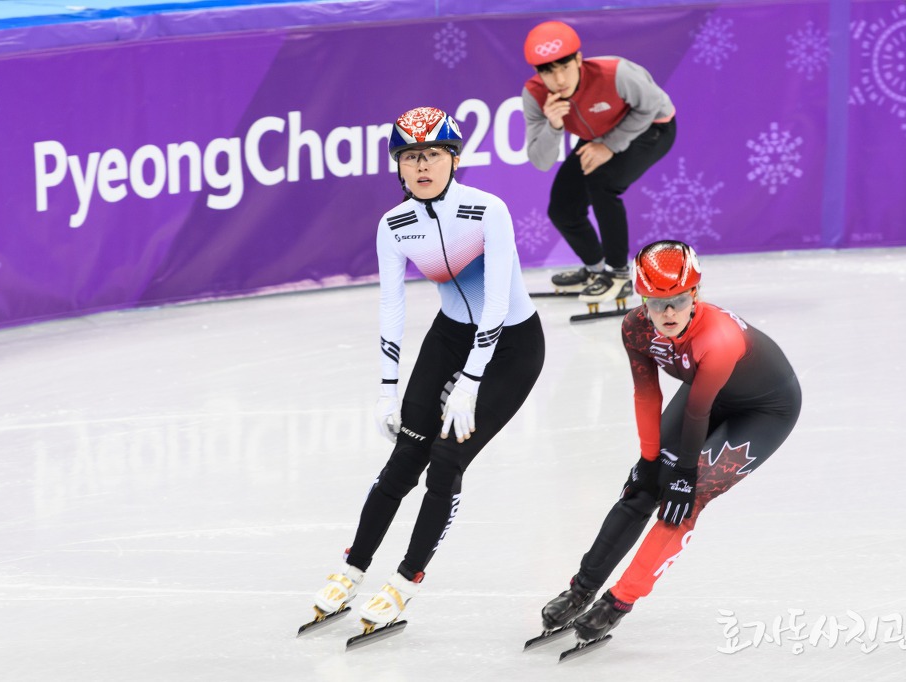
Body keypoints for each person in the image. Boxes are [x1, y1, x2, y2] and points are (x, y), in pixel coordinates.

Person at [310, 107, 545, 632]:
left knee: (445, 460)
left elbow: (496, 304)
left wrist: (472, 379)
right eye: (410, 156)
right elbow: (391, 307)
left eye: (433, 154)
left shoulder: (488, 211)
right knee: (404, 458)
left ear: (454, 159)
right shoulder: (394, 226)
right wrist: (387, 390)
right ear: (398, 165)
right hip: (449, 335)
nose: (422, 165)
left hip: (511, 345)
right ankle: (351, 569)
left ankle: (405, 580)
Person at [539, 240, 802, 643]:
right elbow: (647, 395)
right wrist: (648, 462)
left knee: (686, 499)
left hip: (763, 411)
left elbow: (698, 413)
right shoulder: (635, 328)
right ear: (640, 299)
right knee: (640, 489)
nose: (667, 313)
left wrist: (682, 474)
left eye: (678, 300)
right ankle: (580, 589)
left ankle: (619, 601)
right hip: (706, 393)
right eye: (655, 302)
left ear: (695, 294)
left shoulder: (719, 338)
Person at [522, 20, 677, 306]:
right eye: (548, 71)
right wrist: (553, 126)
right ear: (536, 72)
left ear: (579, 59)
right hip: (598, 135)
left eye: (565, 66)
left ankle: (618, 275)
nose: (559, 80)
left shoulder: (616, 73)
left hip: (653, 127)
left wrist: (609, 145)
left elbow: (652, 104)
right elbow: (540, 161)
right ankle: (595, 270)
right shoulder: (533, 95)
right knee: (563, 208)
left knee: (602, 184)